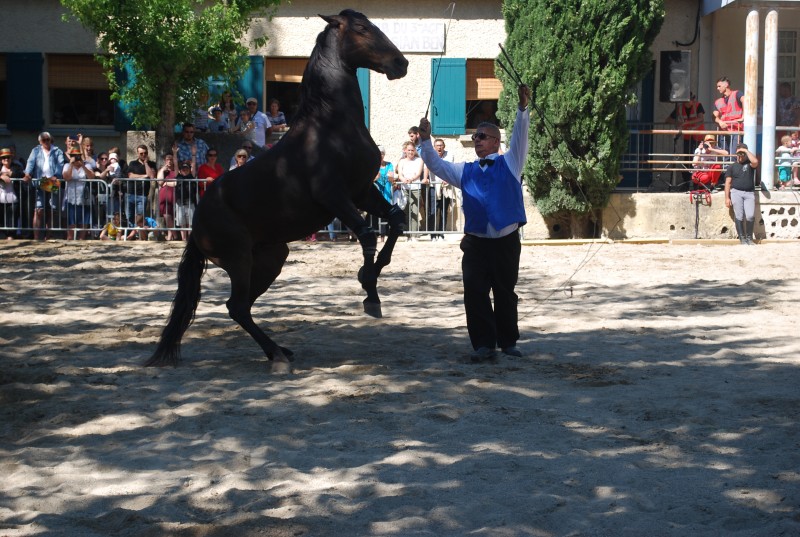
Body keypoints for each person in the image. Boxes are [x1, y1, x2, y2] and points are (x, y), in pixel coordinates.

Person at [418, 83, 531, 362]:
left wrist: (522, 108)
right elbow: (436, 164)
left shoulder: (511, 162)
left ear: (496, 141)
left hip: (505, 242)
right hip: (476, 243)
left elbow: (521, 137)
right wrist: (424, 140)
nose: (477, 139)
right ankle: (483, 344)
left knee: (505, 293)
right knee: (474, 293)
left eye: (482, 136)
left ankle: (508, 342)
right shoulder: (464, 170)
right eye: (475, 136)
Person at [23, 131, 65, 240]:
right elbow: (30, 163)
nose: (46, 142)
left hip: (52, 182)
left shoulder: (57, 151)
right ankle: (37, 237)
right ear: (40, 141)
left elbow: (60, 165)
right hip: (39, 182)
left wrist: (56, 175)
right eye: (44, 140)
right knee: (39, 209)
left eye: (48, 139)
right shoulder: (36, 150)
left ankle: (49, 235)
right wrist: (27, 174)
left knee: (52, 210)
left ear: (51, 140)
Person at [665, 93, 706, 184]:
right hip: (688, 137)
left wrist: (685, 123)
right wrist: (678, 122)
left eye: (693, 99)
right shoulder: (680, 108)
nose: (693, 101)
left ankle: (698, 182)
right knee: (687, 158)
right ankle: (687, 182)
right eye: (691, 99)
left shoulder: (698, 105)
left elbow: (700, 119)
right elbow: (668, 119)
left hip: (698, 137)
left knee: (699, 158)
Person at [724, 143, 760, 245]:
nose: (740, 155)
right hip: (736, 192)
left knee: (750, 215)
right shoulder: (732, 167)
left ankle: (749, 237)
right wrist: (727, 198)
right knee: (739, 216)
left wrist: (746, 151)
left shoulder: (750, 164)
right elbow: (728, 182)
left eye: (742, 153)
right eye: (739, 153)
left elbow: (755, 161)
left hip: (749, 193)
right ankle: (742, 238)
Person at [62, 145, 95, 240]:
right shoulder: (67, 165)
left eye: (78, 156)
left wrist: (83, 166)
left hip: (84, 198)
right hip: (71, 197)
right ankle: (70, 239)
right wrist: (71, 165)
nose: (76, 158)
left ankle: (81, 240)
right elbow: (66, 177)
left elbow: (91, 177)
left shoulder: (87, 165)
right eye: (74, 155)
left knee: (84, 221)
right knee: (71, 221)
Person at [426, 138, 456, 239]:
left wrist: (448, 179)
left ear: (444, 146)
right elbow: (427, 167)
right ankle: (433, 234)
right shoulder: (430, 156)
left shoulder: (449, 155)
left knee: (444, 210)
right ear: (434, 147)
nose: (439, 147)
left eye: (441, 145)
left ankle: (441, 233)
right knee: (433, 211)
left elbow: (451, 168)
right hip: (434, 186)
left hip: (446, 187)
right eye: (437, 145)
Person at [395, 141, 424, 238]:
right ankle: (408, 234)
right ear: (405, 151)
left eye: (412, 150)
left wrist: (411, 179)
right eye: (409, 150)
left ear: (415, 150)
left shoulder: (419, 160)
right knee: (406, 212)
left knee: (414, 212)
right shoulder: (401, 161)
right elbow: (400, 174)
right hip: (404, 189)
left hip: (415, 188)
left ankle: (414, 235)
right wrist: (404, 180)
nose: (411, 152)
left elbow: (418, 173)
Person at [125, 145, 156, 227]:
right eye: (141, 153)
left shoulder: (151, 164)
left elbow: (151, 176)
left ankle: (138, 233)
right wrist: (144, 176)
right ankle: (131, 232)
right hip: (130, 193)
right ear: (137, 153)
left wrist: (146, 163)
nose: (143, 155)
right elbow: (130, 176)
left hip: (143, 195)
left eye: (145, 153)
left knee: (140, 216)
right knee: (129, 215)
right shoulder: (133, 163)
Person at [713, 77, 744, 153]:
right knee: (725, 155)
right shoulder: (718, 101)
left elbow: (745, 101)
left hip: (736, 130)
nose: (717, 88)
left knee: (734, 154)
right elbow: (714, 116)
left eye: (719, 86)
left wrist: (743, 117)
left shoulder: (737, 94)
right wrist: (720, 122)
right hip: (724, 131)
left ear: (726, 85)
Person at [0, 147, 23, 240]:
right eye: (4, 157)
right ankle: (5, 235)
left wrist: (9, 174)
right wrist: (1, 176)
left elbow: (20, 174)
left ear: (11, 158)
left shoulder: (16, 166)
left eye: (8, 157)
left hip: (13, 198)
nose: (6, 159)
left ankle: (11, 236)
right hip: (1, 199)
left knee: (12, 219)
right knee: (2, 219)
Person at [373, 145, 394, 239]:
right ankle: (375, 232)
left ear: (384, 154)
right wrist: (374, 178)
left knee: (385, 212)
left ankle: (384, 234)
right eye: (378, 153)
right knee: (374, 212)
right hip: (376, 191)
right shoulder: (372, 164)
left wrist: (391, 177)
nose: (380, 155)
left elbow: (391, 179)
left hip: (387, 191)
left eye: (381, 153)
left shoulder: (389, 165)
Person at [174, 159, 197, 241]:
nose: (185, 170)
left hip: (190, 203)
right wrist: (174, 153)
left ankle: (190, 240)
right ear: (180, 171)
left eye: (186, 169)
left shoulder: (192, 177)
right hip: (180, 203)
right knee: (182, 223)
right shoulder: (178, 177)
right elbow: (176, 165)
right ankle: (184, 239)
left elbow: (193, 167)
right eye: (183, 169)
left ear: (189, 170)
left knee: (190, 223)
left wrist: (193, 155)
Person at [157, 151, 178, 241]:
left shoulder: (176, 171)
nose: (169, 161)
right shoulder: (162, 171)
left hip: (173, 195)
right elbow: (160, 182)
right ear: (165, 161)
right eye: (167, 160)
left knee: (171, 216)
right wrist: (162, 170)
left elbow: (175, 183)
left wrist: (166, 182)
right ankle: (175, 235)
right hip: (163, 196)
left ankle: (170, 236)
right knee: (166, 216)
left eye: (171, 160)